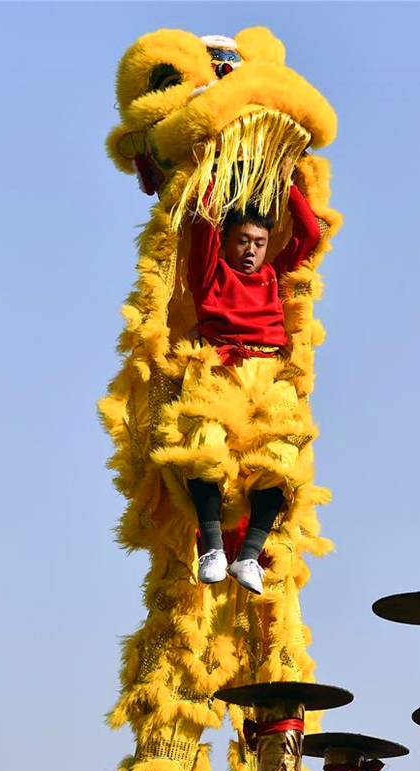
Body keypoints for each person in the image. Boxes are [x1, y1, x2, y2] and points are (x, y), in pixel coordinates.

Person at [183, 173, 321, 595]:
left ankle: (249, 556)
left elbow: (310, 233)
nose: (251, 251)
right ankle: (211, 549)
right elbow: (202, 221)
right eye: (243, 241)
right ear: (227, 242)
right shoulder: (210, 274)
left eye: (259, 243)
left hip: (267, 375)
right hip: (222, 367)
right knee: (204, 445)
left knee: (281, 458)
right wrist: (214, 171)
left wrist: (286, 186)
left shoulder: (273, 276)